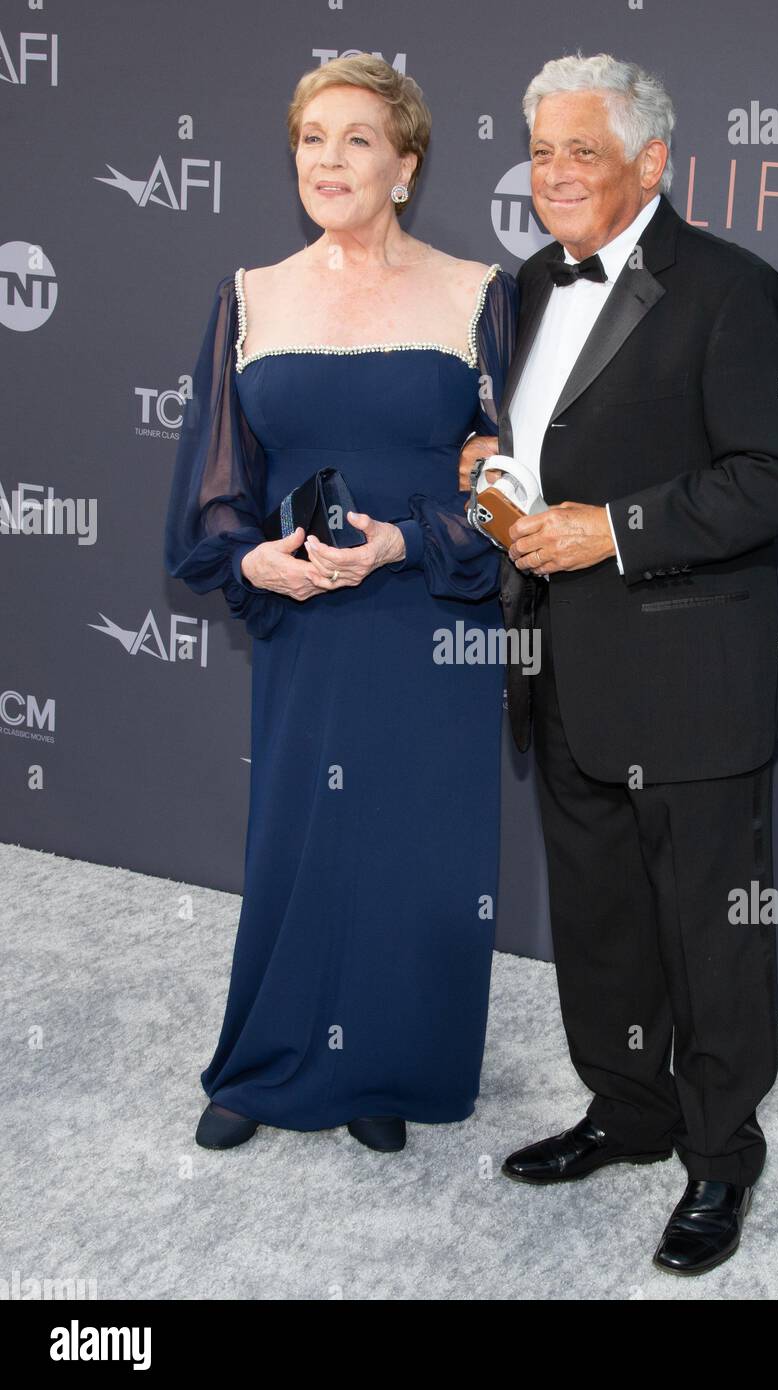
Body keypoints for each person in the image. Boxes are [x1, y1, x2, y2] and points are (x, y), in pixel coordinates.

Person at [461, 53, 778, 1273]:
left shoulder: (731, 289)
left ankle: (722, 1156)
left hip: (691, 679)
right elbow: (542, 442)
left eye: (582, 152)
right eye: (541, 152)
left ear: (652, 164)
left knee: (711, 930)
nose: (553, 175)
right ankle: (628, 1107)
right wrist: (496, 483)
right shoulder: (523, 287)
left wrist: (613, 530)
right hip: (560, 668)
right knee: (603, 918)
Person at [165, 54, 517, 1155]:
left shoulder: (476, 292)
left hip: (430, 613)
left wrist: (410, 542)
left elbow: (515, 487)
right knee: (301, 834)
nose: (330, 158)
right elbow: (216, 475)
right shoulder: (252, 292)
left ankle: (386, 1063)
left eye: (359, 138)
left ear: (405, 165)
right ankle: (268, 1062)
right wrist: (251, 562)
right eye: (314, 138)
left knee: (415, 843)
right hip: (308, 614)